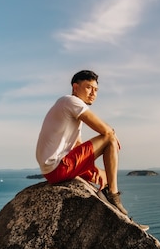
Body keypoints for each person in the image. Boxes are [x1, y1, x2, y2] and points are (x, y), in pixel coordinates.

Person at [36, 69, 128, 216]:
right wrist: (112, 135)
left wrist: (92, 169)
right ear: (75, 87)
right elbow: (106, 132)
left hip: (54, 169)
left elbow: (77, 145)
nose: (93, 93)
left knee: (104, 175)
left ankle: (110, 204)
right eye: (88, 87)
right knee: (109, 139)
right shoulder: (72, 101)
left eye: (96, 90)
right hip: (58, 167)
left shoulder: (67, 107)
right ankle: (113, 196)